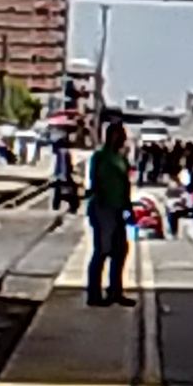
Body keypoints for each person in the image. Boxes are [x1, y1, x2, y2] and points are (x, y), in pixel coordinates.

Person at [84, 121, 132, 307]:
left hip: (118, 208)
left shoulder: (121, 158)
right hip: (103, 208)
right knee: (103, 250)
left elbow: (125, 185)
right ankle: (94, 294)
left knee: (120, 251)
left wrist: (128, 207)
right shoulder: (101, 157)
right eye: (120, 135)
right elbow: (95, 181)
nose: (123, 139)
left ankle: (115, 291)